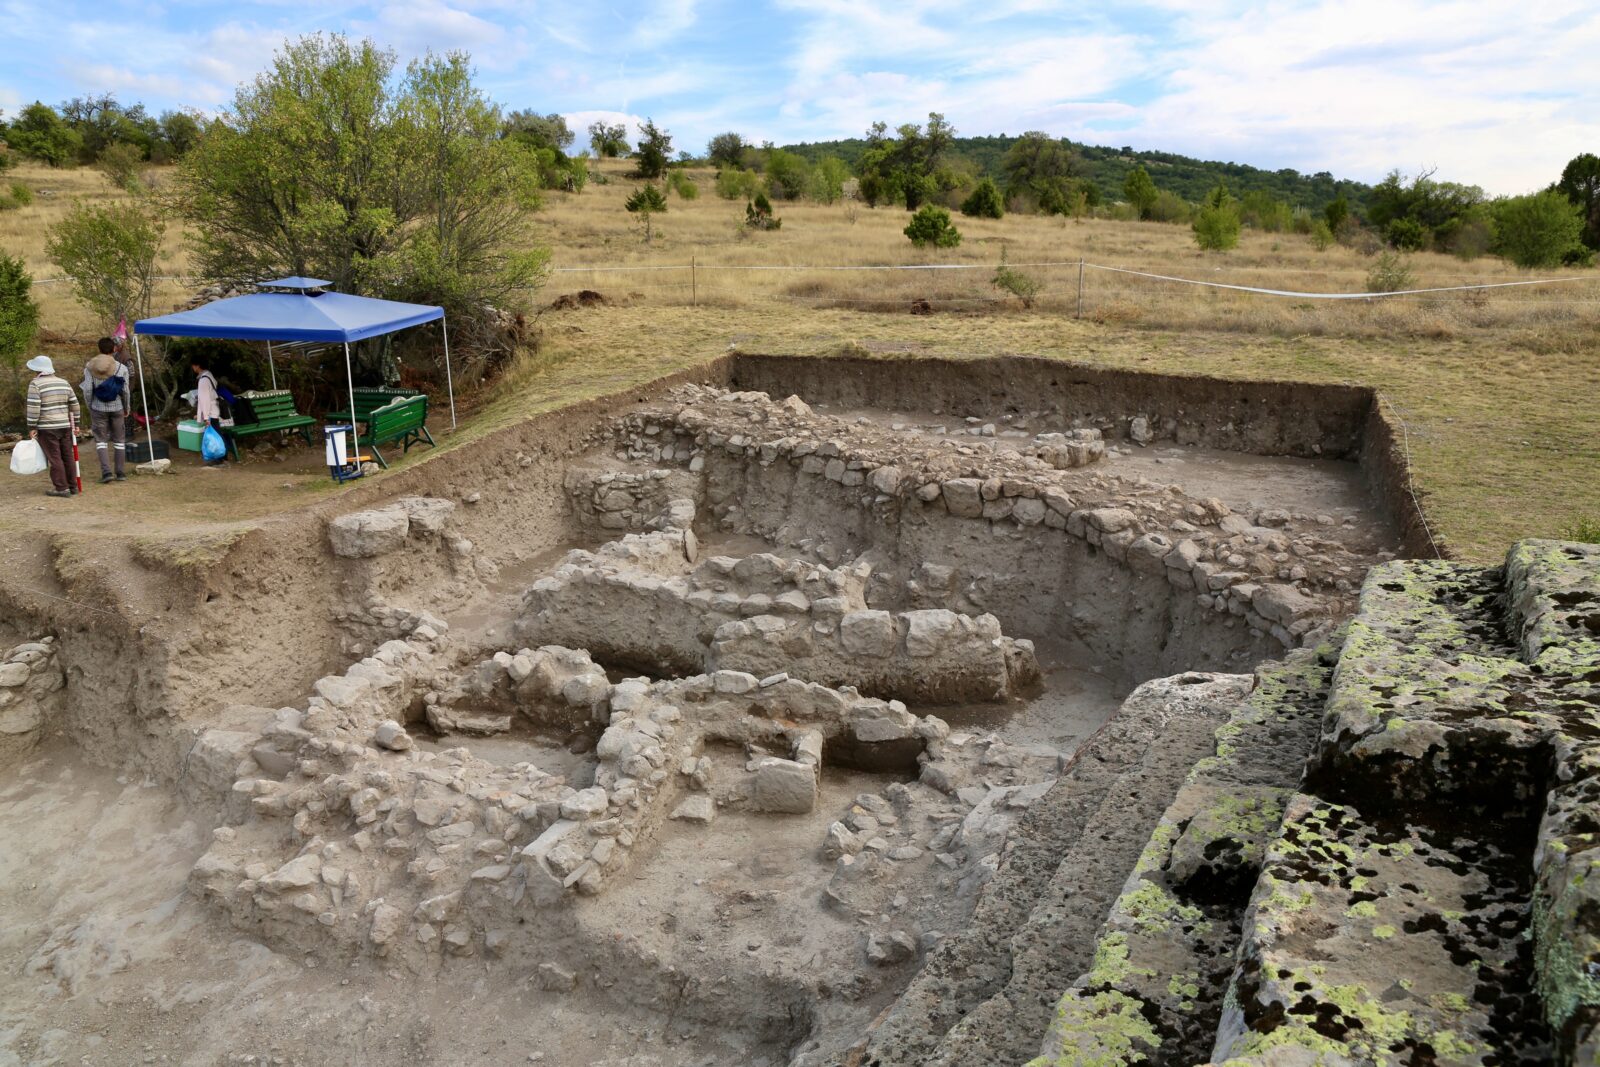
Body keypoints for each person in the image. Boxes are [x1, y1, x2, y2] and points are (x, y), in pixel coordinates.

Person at [24, 355, 81, 498]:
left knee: (55, 458)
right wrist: (77, 423)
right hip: (65, 425)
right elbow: (75, 404)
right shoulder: (64, 382)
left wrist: (32, 426)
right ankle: (72, 486)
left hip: (47, 427)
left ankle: (61, 488)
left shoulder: (35, 384)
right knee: (68, 456)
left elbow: (33, 407)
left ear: (36, 370)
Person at [81, 337, 130, 483]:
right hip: (117, 407)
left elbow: (88, 390)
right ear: (114, 349)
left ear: (99, 349)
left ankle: (106, 473)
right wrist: (126, 407)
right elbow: (126, 391)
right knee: (120, 440)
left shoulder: (89, 367)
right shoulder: (122, 368)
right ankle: (120, 473)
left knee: (101, 440)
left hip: (98, 407)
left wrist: (90, 405)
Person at [192, 355, 225, 466]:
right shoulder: (209, 375)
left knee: (214, 435)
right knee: (217, 433)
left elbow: (204, 400)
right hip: (214, 409)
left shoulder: (203, 380)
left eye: (193, 365)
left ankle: (219, 457)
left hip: (210, 411)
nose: (192, 367)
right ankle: (222, 456)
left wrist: (205, 417)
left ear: (197, 366)